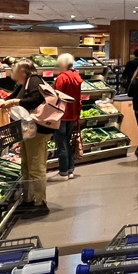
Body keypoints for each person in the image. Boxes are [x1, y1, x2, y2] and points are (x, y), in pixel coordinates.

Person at [2, 59, 53, 218]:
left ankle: (40, 203)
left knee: (36, 166)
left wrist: (15, 101)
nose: (13, 75)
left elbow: (36, 100)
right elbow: (10, 97)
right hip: (28, 130)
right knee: (27, 164)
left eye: (14, 71)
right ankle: (28, 199)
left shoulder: (35, 81)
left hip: (38, 130)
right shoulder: (26, 83)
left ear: (23, 71)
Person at [50, 53, 82, 181]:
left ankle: (63, 172)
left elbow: (56, 96)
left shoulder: (62, 78)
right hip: (73, 114)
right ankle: (70, 169)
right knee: (67, 142)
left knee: (61, 143)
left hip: (61, 114)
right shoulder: (76, 76)